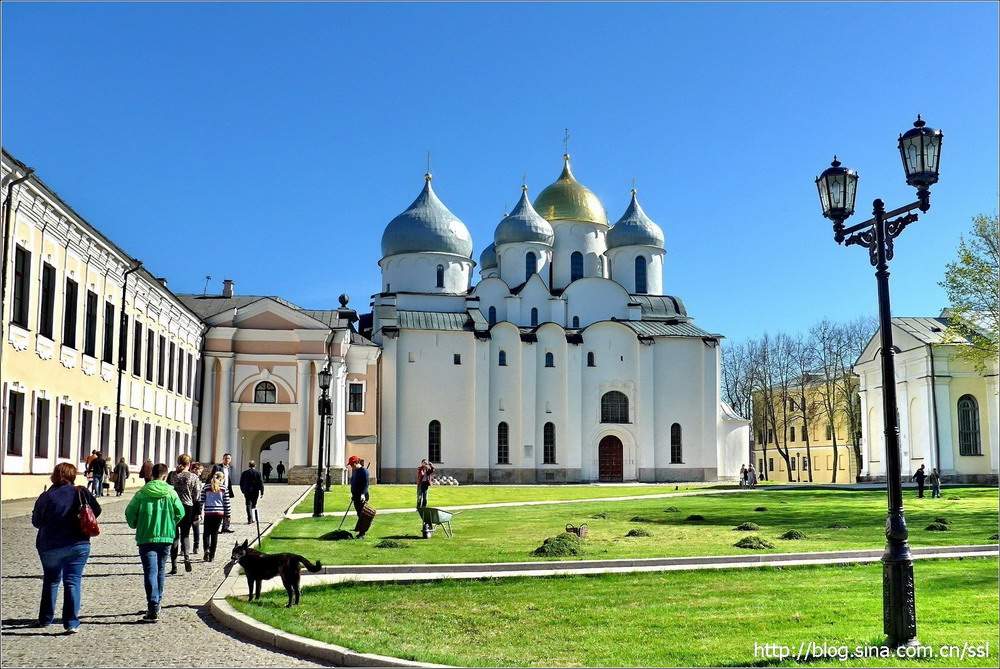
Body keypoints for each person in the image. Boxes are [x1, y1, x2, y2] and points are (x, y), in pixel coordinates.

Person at [31, 463, 101, 633]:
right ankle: (71, 622)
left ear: (54, 476)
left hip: (50, 545)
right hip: (78, 544)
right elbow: (96, 511)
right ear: (73, 475)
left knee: (51, 580)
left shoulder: (46, 496)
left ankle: (45, 619)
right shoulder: (81, 491)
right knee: (72, 581)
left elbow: (36, 522)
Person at [124, 463, 184, 623]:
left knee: (150, 571)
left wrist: (136, 523)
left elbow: (129, 512)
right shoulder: (171, 493)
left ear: (151, 475)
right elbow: (181, 512)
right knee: (161, 570)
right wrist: (171, 523)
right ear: (165, 476)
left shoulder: (142, 493)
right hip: (166, 537)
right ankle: (157, 602)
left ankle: (153, 606)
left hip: (146, 537)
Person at [169, 454, 202, 574]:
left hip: (173, 507)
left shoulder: (172, 475)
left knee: (174, 536)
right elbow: (197, 495)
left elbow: (168, 489)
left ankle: (174, 565)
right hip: (187, 508)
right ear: (189, 464)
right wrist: (197, 512)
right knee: (186, 535)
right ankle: (187, 557)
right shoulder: (193, 476)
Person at [201, 471, 231, 562]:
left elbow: (201, 500)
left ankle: (206, 550)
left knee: (206, 533)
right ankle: (212, 555)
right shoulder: (224, 488)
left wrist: (198, 512)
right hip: (219, 513)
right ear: (221, 479)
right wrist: (228, 514)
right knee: (214, 534)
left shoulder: (206, 487)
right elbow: (227, 503)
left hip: (208, 513)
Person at [210, 454, 235, 533]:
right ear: (223, 459)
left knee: (227, 510)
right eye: (226, 458)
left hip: (226, 490)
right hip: (218, 491)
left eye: (228, 458)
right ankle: (216, 528)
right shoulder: (217, 467)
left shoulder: (229, 468)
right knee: (219, 510)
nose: (227, 460)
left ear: (230, 460)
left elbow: (227, 480)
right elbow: (213, 477)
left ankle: (225, 527)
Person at [348, 456, 369, 539]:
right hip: (356, 496)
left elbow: (366, 484)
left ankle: (362, 533)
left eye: (352, 464)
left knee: (362, 515)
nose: (351, 466)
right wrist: (353, 495)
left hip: (362, 496)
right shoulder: (355, 471)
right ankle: (361, 530)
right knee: (358, 514)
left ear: (356, 463)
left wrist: (363, 494)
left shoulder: (364, 471)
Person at [189, 462, 205, 554]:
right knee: (196, 528)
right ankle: (196, 546)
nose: (200, 473)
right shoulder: (196, 480)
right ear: (195, 469)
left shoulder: (184, 477)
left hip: (185, 506)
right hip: (194, 507)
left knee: (185, 528)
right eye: (200, 471)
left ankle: (184, 548)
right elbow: (198, 497)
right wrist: (199, 512)